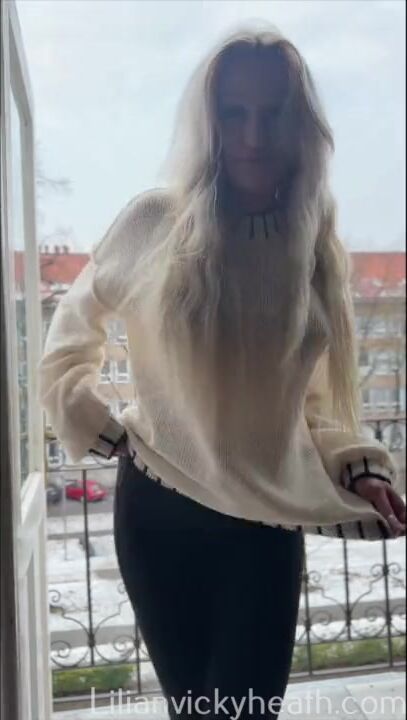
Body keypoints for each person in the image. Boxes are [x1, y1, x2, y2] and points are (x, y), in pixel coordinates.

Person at [38, 25, 406, 719]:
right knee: (197, 710)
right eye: (234, 113)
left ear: (301, 125)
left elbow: (313, 404)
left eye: (273, 114)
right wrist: (91, 420)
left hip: (263, 520)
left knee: (246, 709)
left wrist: (358, 466)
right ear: (208, 122)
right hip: (159, 509)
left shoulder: (312, 245)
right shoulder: (153, 222)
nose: (253, 136)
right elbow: (69, 332)